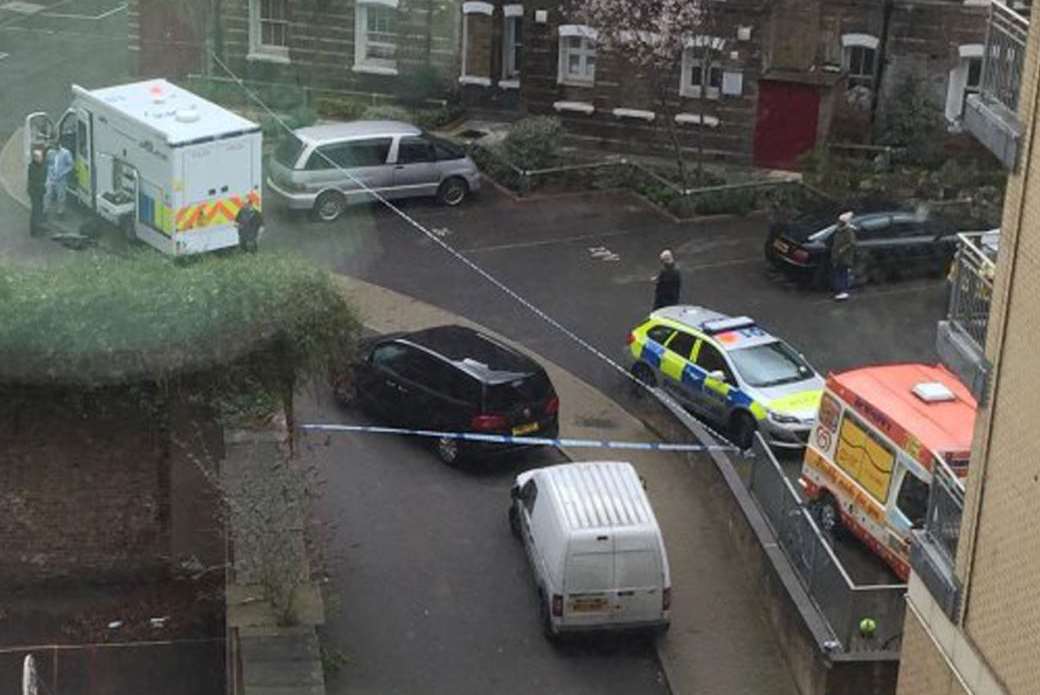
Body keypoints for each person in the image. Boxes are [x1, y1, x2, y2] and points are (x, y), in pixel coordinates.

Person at [830, 211, 857, 301]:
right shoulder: (838, 230)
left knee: (843, 274)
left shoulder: (848, 231)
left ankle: (843, 292)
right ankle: (840, 291)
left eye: (840, 221)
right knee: (839, 274)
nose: (838, 222)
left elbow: (852, 243)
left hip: (844, 258)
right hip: (837, 257)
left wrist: (842, 249)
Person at [45, 142, 74, 217]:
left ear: (59, 145)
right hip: (51, 177)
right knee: (47, 194)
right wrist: (50, 172)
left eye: (55, 146)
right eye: (53, 146)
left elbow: (70, 165)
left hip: (61, 179)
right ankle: (45, 210)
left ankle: (60, 212)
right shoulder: (50, 152)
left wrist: (62, 173)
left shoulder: (66, 153)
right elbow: (48, 163)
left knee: (61, 196)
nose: (53, 148)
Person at [27, 147, 47, 236]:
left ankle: (39, 228)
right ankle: (34, 231)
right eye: (40, 157)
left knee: (39, 210)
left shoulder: (41, 166)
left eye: (41, 157)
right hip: (35, 191)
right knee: (36, 210)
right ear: (35, 158)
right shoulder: (32, 167)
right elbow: (35, 180)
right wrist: (42, 185)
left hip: (40, 191)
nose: (41, 159)